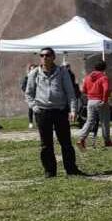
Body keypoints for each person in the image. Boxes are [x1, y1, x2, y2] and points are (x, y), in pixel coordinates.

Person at [25, 47, 85, 178]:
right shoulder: (34, 73)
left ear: (53, 57)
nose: (44, 58)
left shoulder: (62, 72)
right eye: (42, 55)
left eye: (47, 55)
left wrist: (73, 110)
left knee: (66, 142)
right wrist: (35, 107)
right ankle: (50, 171)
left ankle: (71, 169)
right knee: (46, 144)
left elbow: (70, 93)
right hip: (42, 111)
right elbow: (28, 93)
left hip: (60, 111)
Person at [77, 61, 112, 149]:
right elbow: (106, 89)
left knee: (89, 121)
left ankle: (81, 139)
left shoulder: (87, 77)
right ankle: (107, 140)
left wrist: (90, 94)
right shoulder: (104, 78)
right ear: (104, 68)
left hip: (90, 101)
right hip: (100, 101)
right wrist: (104, 100)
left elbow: (84, 90)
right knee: (104, 121)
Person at [20, 64, 36, 129]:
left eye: (34, 69)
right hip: (30, 96)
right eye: (31, 69)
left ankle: (39, 122)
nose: (33, 70)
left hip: (38, 96)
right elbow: (23, 87)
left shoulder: (39, 76)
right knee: (31, 109)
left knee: (39, 110)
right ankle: (31, 123)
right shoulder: (27, 77)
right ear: (29, 70)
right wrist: (27, 92)